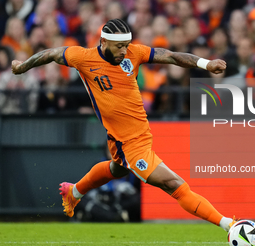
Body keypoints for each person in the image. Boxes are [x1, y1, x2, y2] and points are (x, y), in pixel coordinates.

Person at [12, 19, 236, 232]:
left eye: (126, 45)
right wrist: (23, 66)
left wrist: (207, 64)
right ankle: (229, 225)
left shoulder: (133, 54)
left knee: (116, 169)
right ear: (103, 42)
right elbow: (50, 53)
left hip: (140, 136)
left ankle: (74, 192)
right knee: (174, 184)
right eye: (119, 46)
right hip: (127, 143)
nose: (123, 51)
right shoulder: (83, 58)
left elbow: (170, 56)